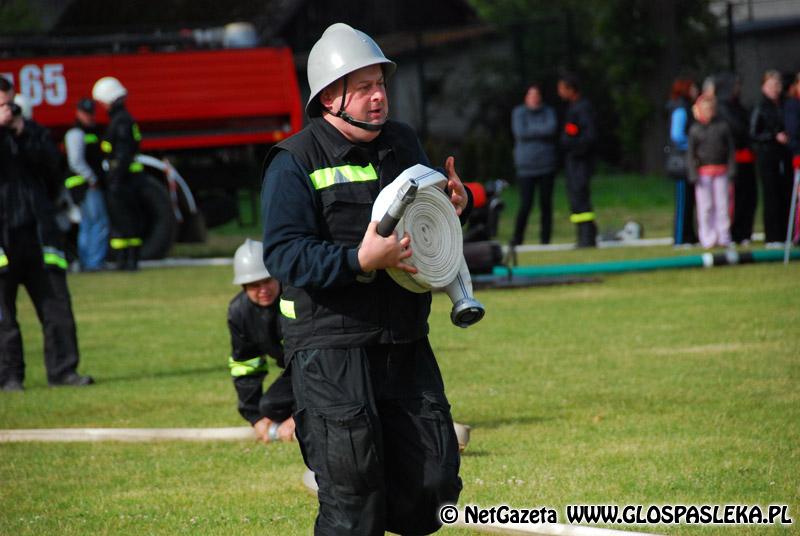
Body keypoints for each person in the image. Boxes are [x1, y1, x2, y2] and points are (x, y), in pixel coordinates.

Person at [260, 23, 467, 536]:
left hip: (403, 339)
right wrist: (359, 260)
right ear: (330, 97)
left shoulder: (402, 142)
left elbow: (422, 217)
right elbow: (284, 255)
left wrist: (448, 208)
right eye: (364, 88)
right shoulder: (294, 162)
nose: (379, 97)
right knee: (354, 501)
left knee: (433, 486)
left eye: (381, 85)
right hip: (331, 350)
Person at [0, 78, 94, 391]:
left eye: (10, 102)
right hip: (3, 240)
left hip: (39, 234)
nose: (8, 109)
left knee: (57, 306)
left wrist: (22, 133)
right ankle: (9, 377)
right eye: (1, 105)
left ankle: (64, 371)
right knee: (3, 315)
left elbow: (53, 170)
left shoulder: (33, 132)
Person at [227, 239, 295, 444]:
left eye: (267, 281)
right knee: (270, 406)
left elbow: (320, 360)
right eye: (254, 285)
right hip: (294, 372)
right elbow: (246, 366)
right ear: (243, 287)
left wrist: (300, 416)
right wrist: (255, 418)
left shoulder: (297, 298)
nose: (263, 289)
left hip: (323, 370)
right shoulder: (239, 313)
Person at [91, 76, 144, 270]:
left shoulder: (120, 121)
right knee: (128, 219)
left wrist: (114, 180)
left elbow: (122, 154)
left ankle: (126, 260)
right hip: (126, 179)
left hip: (123, 180)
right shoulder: (123, 119)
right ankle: (127, 259)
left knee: (124, 220)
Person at [64, 98, 109, 271]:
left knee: (88, 223)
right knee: (98, 222)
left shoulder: (90, 131)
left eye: (91, 113)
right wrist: (92, 178)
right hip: (86, 185)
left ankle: (87, 261)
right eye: (86, 113)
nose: (89, 116)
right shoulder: (76, 133)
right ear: (78, 113)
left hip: (85, 184)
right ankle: (94, 262)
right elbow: (76, 161)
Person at [510, 83, 558, 246]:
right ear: (526, 97)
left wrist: (531, 130)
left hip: (546, 165)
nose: (534, 98)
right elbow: (520, 133)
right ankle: (517, 239)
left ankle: (545, 240)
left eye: (536, 95)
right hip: (526, 167)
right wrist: (541, 131)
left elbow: (551, 129)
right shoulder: (519, 112)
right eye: (531, 95)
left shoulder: (548, 112)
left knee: (546, 204)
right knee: (525, 204)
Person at [750, 70, 793, 247]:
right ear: (763, 87)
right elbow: (754, 134)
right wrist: (773, 137)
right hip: (768, 156)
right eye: (771, 85)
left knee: (786, 193)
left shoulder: (786, 105)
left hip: (785, 155)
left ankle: (786, 234)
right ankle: (773, 236)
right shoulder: (760, 107)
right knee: (771, 195)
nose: (775, 88)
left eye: (777, 85)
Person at [715, 73, 758, 245]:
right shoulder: (723, 107)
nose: (738, 89)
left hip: (747, 156)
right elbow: (738, 129)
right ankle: (734, 232)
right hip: (734, 158)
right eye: (735, 85)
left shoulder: (739, 107)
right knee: (736, 198)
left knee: (750, 196)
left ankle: (745, 232)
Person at [687, 94, 735, 249]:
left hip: (721, 171)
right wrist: (693, 173)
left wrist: (732, 169)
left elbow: (730, 150)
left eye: (710, 109)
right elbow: (690, 154)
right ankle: (707, 238)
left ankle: (724, 236)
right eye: (705, 109)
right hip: (703, 173)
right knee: (705, 207)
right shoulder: (695, 129)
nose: (708, 111)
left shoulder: (722, 127)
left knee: (722, 206)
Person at [558, 72, 598, 247]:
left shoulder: (582, 109)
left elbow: (589, 136)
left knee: (580, 196)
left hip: (580, 161)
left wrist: (574, 148)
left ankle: (587, 237)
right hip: (573, 161)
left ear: (571, 89)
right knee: (575, 197)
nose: (559, 92)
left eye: (562, 88)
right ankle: (583, 235)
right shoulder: (573, 108)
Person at [666, 78, 700, 246]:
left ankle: (690, 235)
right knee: (683, 201)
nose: (696, 90)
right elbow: (677, 135)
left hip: (689, 159)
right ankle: (680, 238)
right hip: (682, 162)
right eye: (693, 87)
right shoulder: (680, 108)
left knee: (691, 201)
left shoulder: (688, 107)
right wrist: (693, 145)